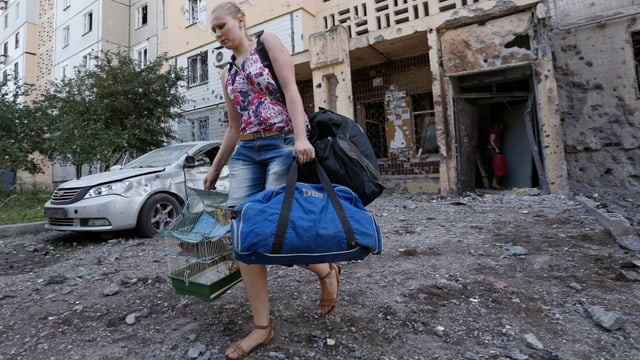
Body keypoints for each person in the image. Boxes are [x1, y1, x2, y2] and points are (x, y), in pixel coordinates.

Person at [203, 3, 341, 359]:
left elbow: (292, 91)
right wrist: (216, 168)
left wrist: (300, 137)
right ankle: (262, 328)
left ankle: (326, 271)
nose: (217, 34)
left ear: (240, 20)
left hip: (281, 143)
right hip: (247, 153)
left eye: (221, 26)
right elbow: (233, 128)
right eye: (213, 30)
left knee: (276, 229)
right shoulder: (227, 73)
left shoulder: (268, 42)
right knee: (244, 237)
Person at [486, 120, 504, 189]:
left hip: (492, 150)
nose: (503, 127)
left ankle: (494, 183)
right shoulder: (494, 131)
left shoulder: (497, 132)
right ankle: (494, 183)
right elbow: (491, 141)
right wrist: (496, 148)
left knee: (495, 167)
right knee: (497, 166)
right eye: (502, 125)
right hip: (492, 150)